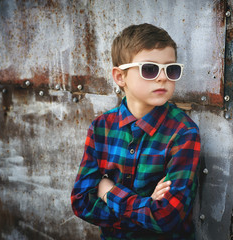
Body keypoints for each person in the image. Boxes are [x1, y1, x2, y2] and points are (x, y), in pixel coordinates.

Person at [71, 23, 201, 240]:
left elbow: (166, 218)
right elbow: (81, 202)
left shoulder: (183, 133)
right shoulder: (101, 127)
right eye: (149, 69)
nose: (162, 78)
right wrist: (145, 206)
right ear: (120, 77)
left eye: (171, 69)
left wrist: (108, 192)